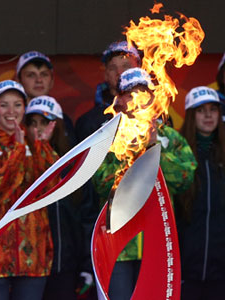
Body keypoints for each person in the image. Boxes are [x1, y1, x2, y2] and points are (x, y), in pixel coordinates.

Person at [91, 68, 197, 300]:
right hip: (119, 245)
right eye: (130, 94)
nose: (137, 100)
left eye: (143, 93)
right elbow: (101, 183)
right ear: (119, 100)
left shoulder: (169, 137)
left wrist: (152, 149)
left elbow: (185, 177)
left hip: (158, 241)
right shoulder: (108, 138)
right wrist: (134, 151)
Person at [0, 80, 57, 300]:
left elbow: (52, 188)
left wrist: (42, 146)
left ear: (25, 109)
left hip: (32, 254)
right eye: (4, 105)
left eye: (17, 104)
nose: (11, 111)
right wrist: (18, 150)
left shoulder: (36, 145)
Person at [24, 95, 86, 300]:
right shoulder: (20, 163)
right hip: (30, 267)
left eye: (45, 122)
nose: (38, 129)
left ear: (58, 125)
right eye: (33, 123)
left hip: (66, 267)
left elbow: (85, 215)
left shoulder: (74, 165)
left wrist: (86, 266)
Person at [176, 86, 225, 300]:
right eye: (200, 110)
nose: (208, 115)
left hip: (221, 275)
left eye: (213, 109)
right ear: (190, 115)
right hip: (186, 274)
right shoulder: (176, 157)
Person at [75, 41, 141, 142]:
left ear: (139, 68)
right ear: (105, 73)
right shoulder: (89, 121)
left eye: (126, 66)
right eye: (112, 68)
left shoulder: (157, 114)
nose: (119, 72)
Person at [16, 50, 76, 147]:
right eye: (31, 75)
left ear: (52, 80)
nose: (39, 80)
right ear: (18, 80)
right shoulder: (12, 118)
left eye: (44, 74)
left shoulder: (64, 120)